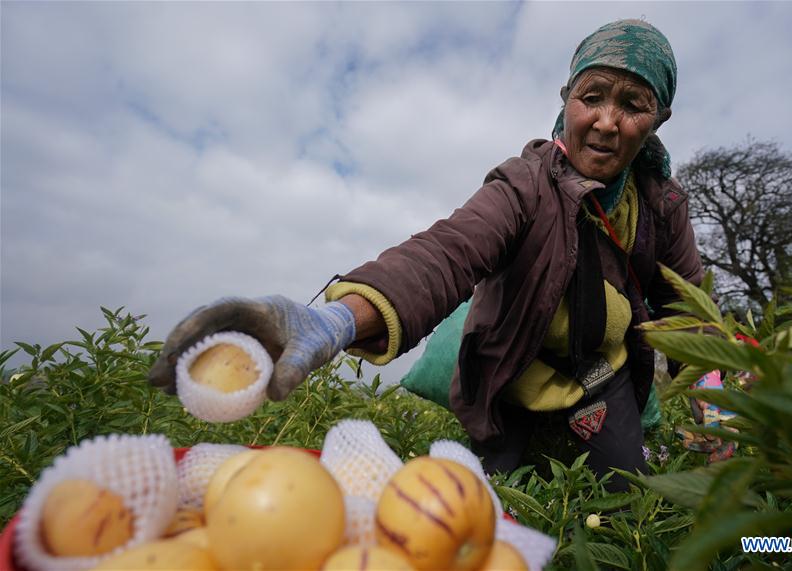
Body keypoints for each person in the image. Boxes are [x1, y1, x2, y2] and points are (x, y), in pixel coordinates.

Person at [149, 19, 704, 492]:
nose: (606, 121)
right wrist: (336, 320)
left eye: (632, 106)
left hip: (600, 374)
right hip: (513, 370)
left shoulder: (661, 204)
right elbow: (448, 251)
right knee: (491, 499)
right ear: (566, 100)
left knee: (629, 493)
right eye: (592, 97)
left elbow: (690, 313)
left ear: (659, 119)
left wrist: (720, 401)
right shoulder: (525, 185)